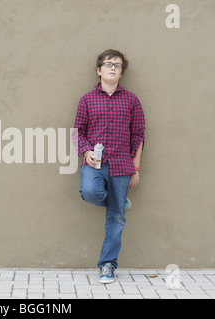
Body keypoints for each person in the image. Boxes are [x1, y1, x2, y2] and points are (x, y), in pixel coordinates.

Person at [73, 49, 145, 283]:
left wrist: (136, 168)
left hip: (122, 165)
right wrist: (86, 152)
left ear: (121, 72)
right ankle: (118, 200)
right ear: (99, 70)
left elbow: (139, 134)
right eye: (108, 64)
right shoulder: (87, 99)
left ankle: (107, 264)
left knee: (116, 217)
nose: (112, 67)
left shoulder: (131, 99)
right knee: (90, 192)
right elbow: (77, 133)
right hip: (95, 164)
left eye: (117, 65)